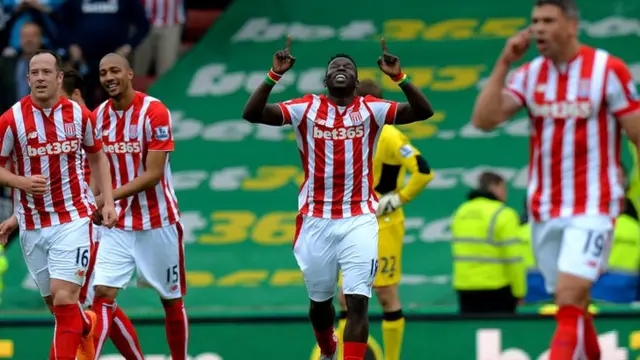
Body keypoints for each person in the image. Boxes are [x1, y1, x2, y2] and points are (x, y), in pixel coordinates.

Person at [242, 36, 434, 360]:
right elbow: (253, 113)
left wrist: (399, 77)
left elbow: (422, 111)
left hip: (359, 217)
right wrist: (273, 75)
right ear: (326, 79)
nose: (341, 69)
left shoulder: (372, 110)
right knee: (321, 304)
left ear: (357, 81)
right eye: (334, 67)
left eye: (347, 67)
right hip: (315, 219)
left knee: (358, 299)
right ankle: (328, 347)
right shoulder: (306, 108)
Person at [471, 0, 640, 357]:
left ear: (571, 26)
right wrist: (504, 61)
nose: (538, 28)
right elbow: (484, 120)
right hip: (545, 207)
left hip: (595, 204)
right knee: (573, 303)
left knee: (567, 296)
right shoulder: (529, 73)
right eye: (534, 21)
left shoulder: (607, 70)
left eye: (548, 20)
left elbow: (637, 131)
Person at [0, 49, 116, 360]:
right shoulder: (11, 119)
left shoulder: (80, 115)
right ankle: (86, 323)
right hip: (33, 226)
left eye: (46, 72)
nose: (39, 77)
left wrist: (108, 203)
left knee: (65, 299)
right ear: (27, 79)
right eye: (34, 73)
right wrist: (21, 184)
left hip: (73, 219)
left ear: (59, 77)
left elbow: (98, 156)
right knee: (58, 308)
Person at [90, 52, 187, 360]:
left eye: (115, 70)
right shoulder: (98, 117)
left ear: (130, 73)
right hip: (117, 225)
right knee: (102, 295)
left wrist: (107, 198)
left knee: (171, 301)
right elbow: (96, 168)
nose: (109, 77)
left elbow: (154, 174)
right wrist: (94, 200)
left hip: (158, 222)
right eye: (103, 73)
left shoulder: (155, 112)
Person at [333, 79, 433, 360]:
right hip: (352, 223)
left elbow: (423, 171)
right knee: (345, 296)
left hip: (383, 225)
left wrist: (395, 200)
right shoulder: (346, 133)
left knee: (385, 294)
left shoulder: (389, 136)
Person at [450, 172, 525, 314]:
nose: (505, 194)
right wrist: (519, 291)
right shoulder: (504, 213)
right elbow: (513, 258)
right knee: (498, 333)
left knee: (471, 332)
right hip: (496, 288)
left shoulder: (460, 212)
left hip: (465, 287)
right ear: (494, 187)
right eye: (504, 188)